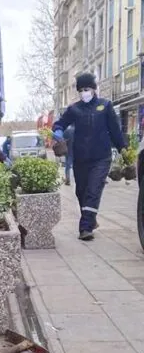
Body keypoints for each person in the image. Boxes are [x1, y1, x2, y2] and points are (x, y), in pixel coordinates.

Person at [52, 72, 125, 241]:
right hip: (80, 158)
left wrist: (124, 150)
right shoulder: (74, 109)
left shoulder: (105, 106)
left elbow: (115, 131)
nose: (84, 93)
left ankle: (85, 228)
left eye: (87, 89)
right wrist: (58, 131)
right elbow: (60, 123)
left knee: (93, 190)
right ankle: (90, 218)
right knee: (81, 192)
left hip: (101, 157)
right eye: (81, 90)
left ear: (93, 89)